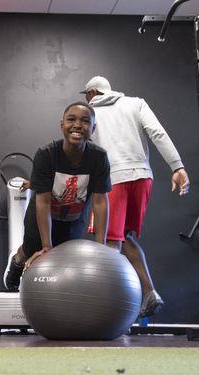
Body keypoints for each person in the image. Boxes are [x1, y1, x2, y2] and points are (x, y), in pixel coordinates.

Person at [82, 76, 190, 317]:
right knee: (124, 237)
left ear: (92, 92)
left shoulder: (88, 112)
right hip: (143, 177)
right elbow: (158, 133)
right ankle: (149, 292)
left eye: (86, 94)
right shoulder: (135, 103)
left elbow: (82, 150)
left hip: (113, 179)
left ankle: (110, 310)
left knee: (110, 242)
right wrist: (177, 166)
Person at [4, 101, 111, 291]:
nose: (77, 125)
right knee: (34, 250)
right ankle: (17, 261)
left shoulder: (98, 157)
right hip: (43, 213)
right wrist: (46, 246)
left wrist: (100, 248)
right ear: (62, 124)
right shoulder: (46, 154)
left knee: (65, 257)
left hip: (74, 218)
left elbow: (100, 202)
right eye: (71, 119)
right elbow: (43, 201)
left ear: (93, 128)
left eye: (85, 121)